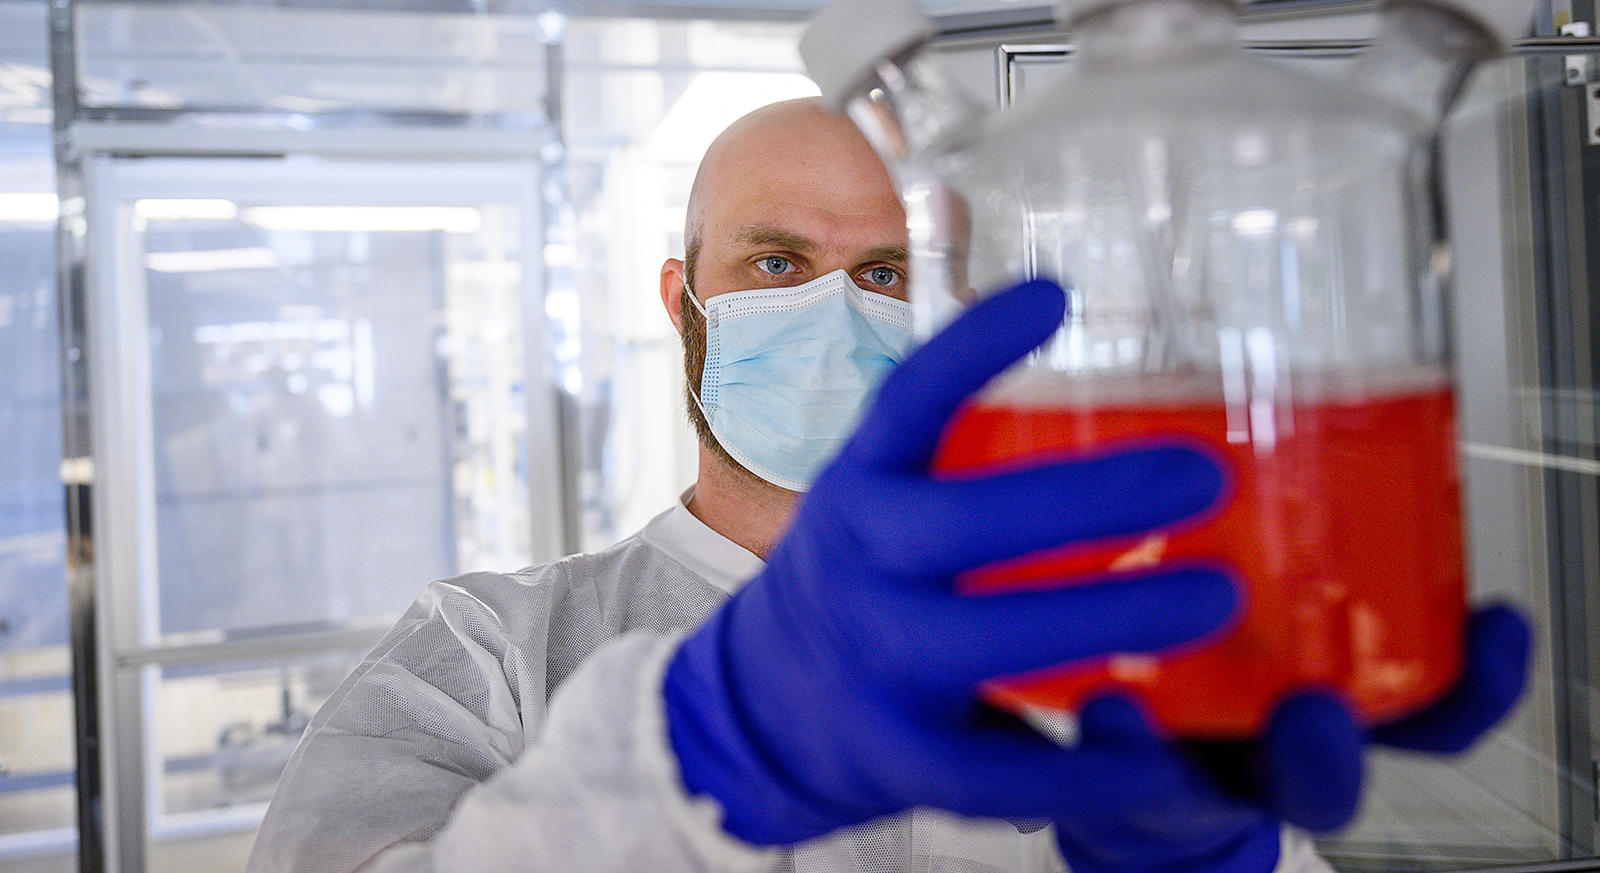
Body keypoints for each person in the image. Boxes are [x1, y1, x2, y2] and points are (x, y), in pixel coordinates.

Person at [247, 98, 1528, 873]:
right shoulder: (485, 654)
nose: (830, 311)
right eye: (774, 259)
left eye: (886, 273)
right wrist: (704, 743)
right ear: (678, 300)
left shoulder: (1095, 658)